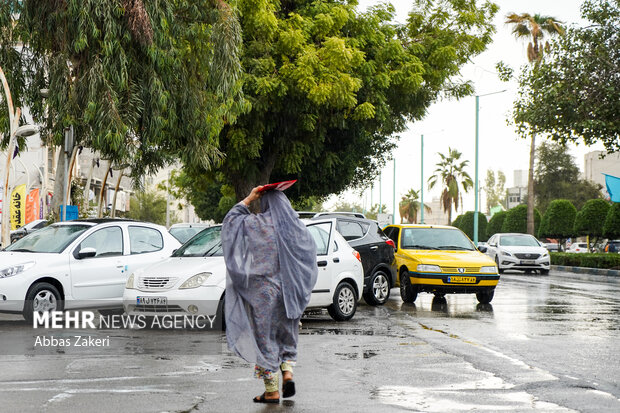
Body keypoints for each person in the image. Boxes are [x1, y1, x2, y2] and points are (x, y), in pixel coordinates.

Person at [221, 185, 318, 404]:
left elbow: (230, 223)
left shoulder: (256, 224)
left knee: (264, 339)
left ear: (264, 203)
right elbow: (310, 254)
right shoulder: (296, 228)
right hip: (290, 292)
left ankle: (272, 391)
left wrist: (248, 198)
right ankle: (288, 374)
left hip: (263, 292)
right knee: (287, 334)